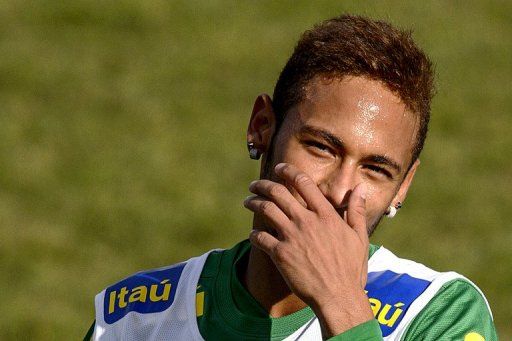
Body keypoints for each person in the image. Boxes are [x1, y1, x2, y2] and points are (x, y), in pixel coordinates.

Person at [85, 14, 497, 340]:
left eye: (375, 169)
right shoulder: (134, 319)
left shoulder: (438, 314)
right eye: (321, 147)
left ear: (403, 186)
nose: (339, 191)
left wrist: (343, 306)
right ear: (262, 127)